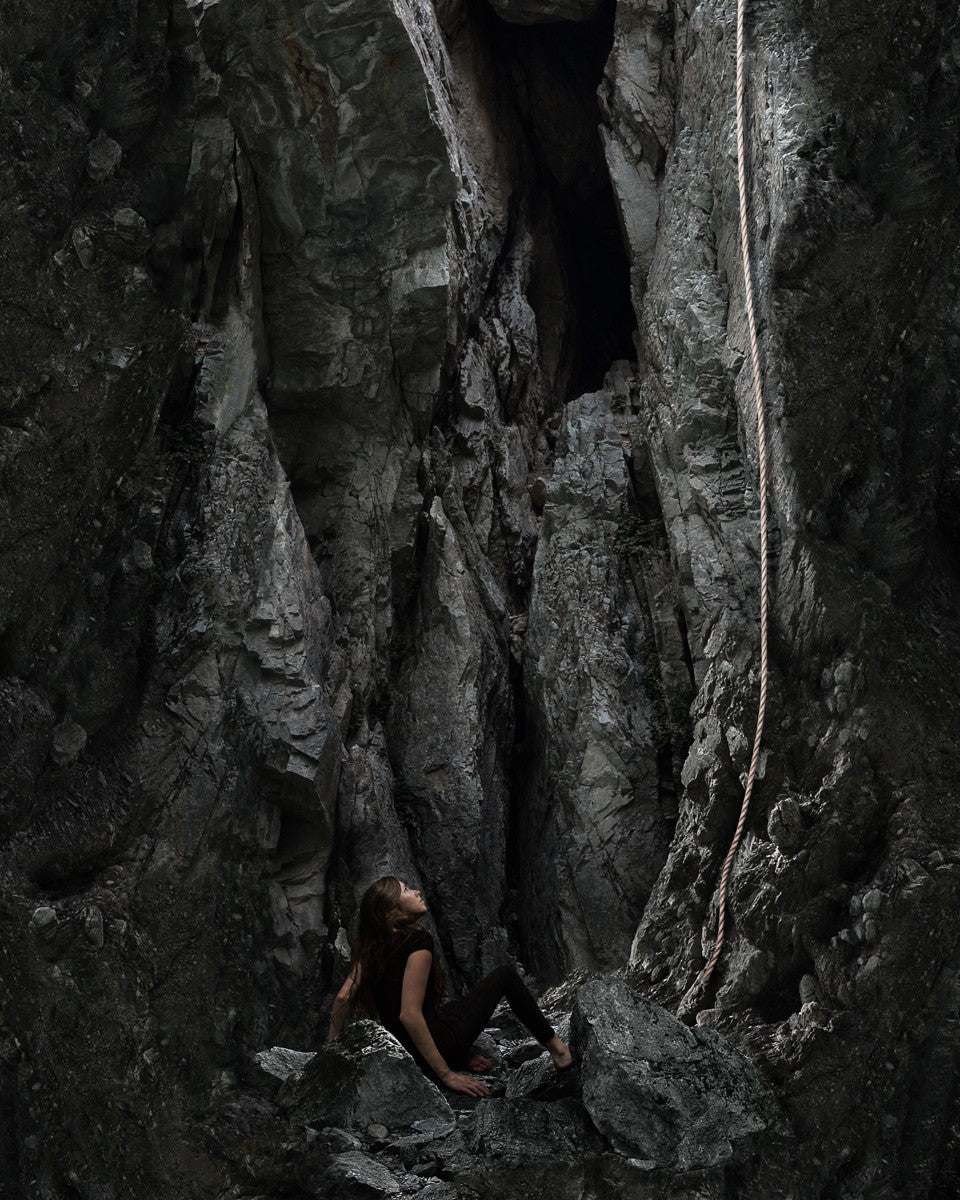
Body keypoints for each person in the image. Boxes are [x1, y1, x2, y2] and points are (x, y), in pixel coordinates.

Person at [326, 875, 573, 1096]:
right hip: (433, 1049)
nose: (416, 891)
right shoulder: (417, 942)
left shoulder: (371, 947)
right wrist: (447, 1075)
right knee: (505, 976)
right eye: (406, 890)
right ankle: (559, 1051)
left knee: (452, 1009)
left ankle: (461, 1054)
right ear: (392, 908)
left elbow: (343, 997)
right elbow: (409, 1015)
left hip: (402, 1049)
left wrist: (328, 1053)